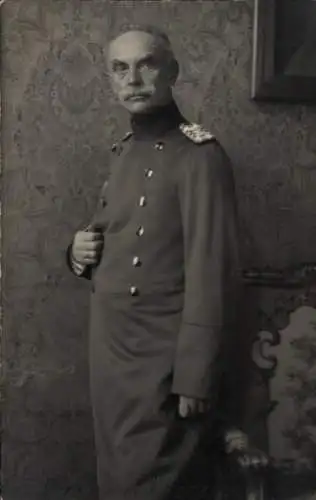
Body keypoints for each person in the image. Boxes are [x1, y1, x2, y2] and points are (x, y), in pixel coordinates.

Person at [67, 24, 254, 500]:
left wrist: (196, 374)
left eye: (146, 64)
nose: (133, 79)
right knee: (117, 481)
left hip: (164, 359)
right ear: (110, 80)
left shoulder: (200, 156)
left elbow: (214, 272)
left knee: (155, 486)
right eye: (119, 68)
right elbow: (115, 235)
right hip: (112, 353)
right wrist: (76, 253)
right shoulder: (123, 152)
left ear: (171, 72)